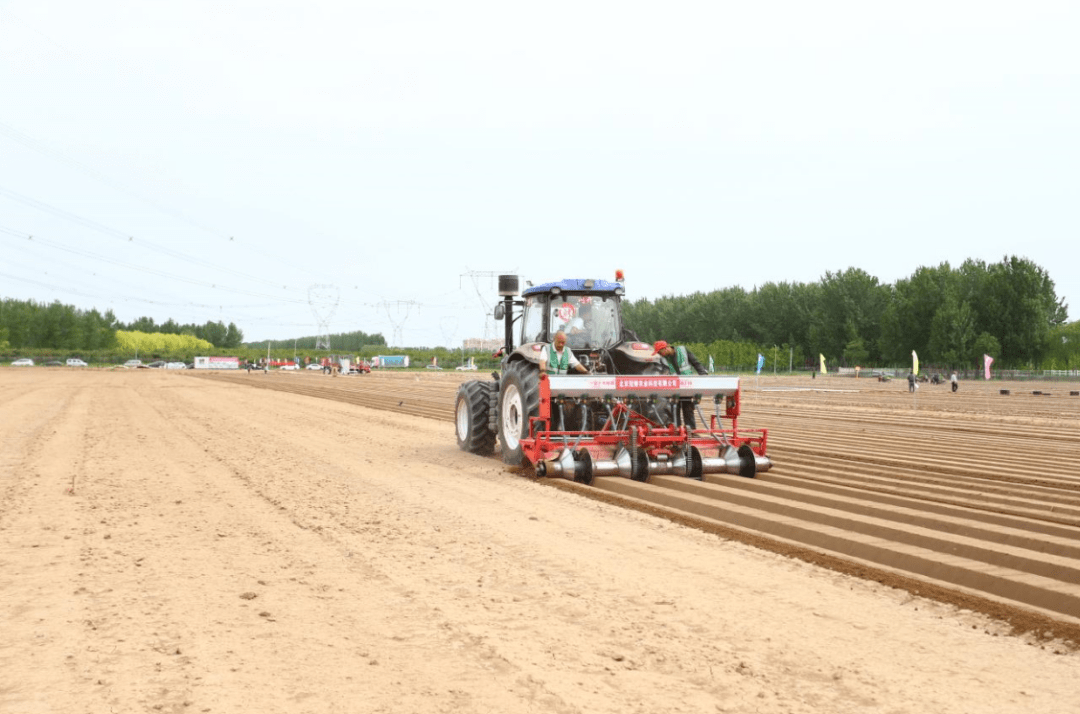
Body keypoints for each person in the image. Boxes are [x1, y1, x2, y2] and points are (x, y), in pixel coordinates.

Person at [653, 340, 708, 428]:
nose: (659, 354)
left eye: (660, 352)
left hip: (687, 386)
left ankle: (691, 431)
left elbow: (696, 363)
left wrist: (703, 375)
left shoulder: (683, 350)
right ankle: (676, 432)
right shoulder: (664, 359)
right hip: (674, 388)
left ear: (666, 348)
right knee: (674, 409)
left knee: (688, 409)